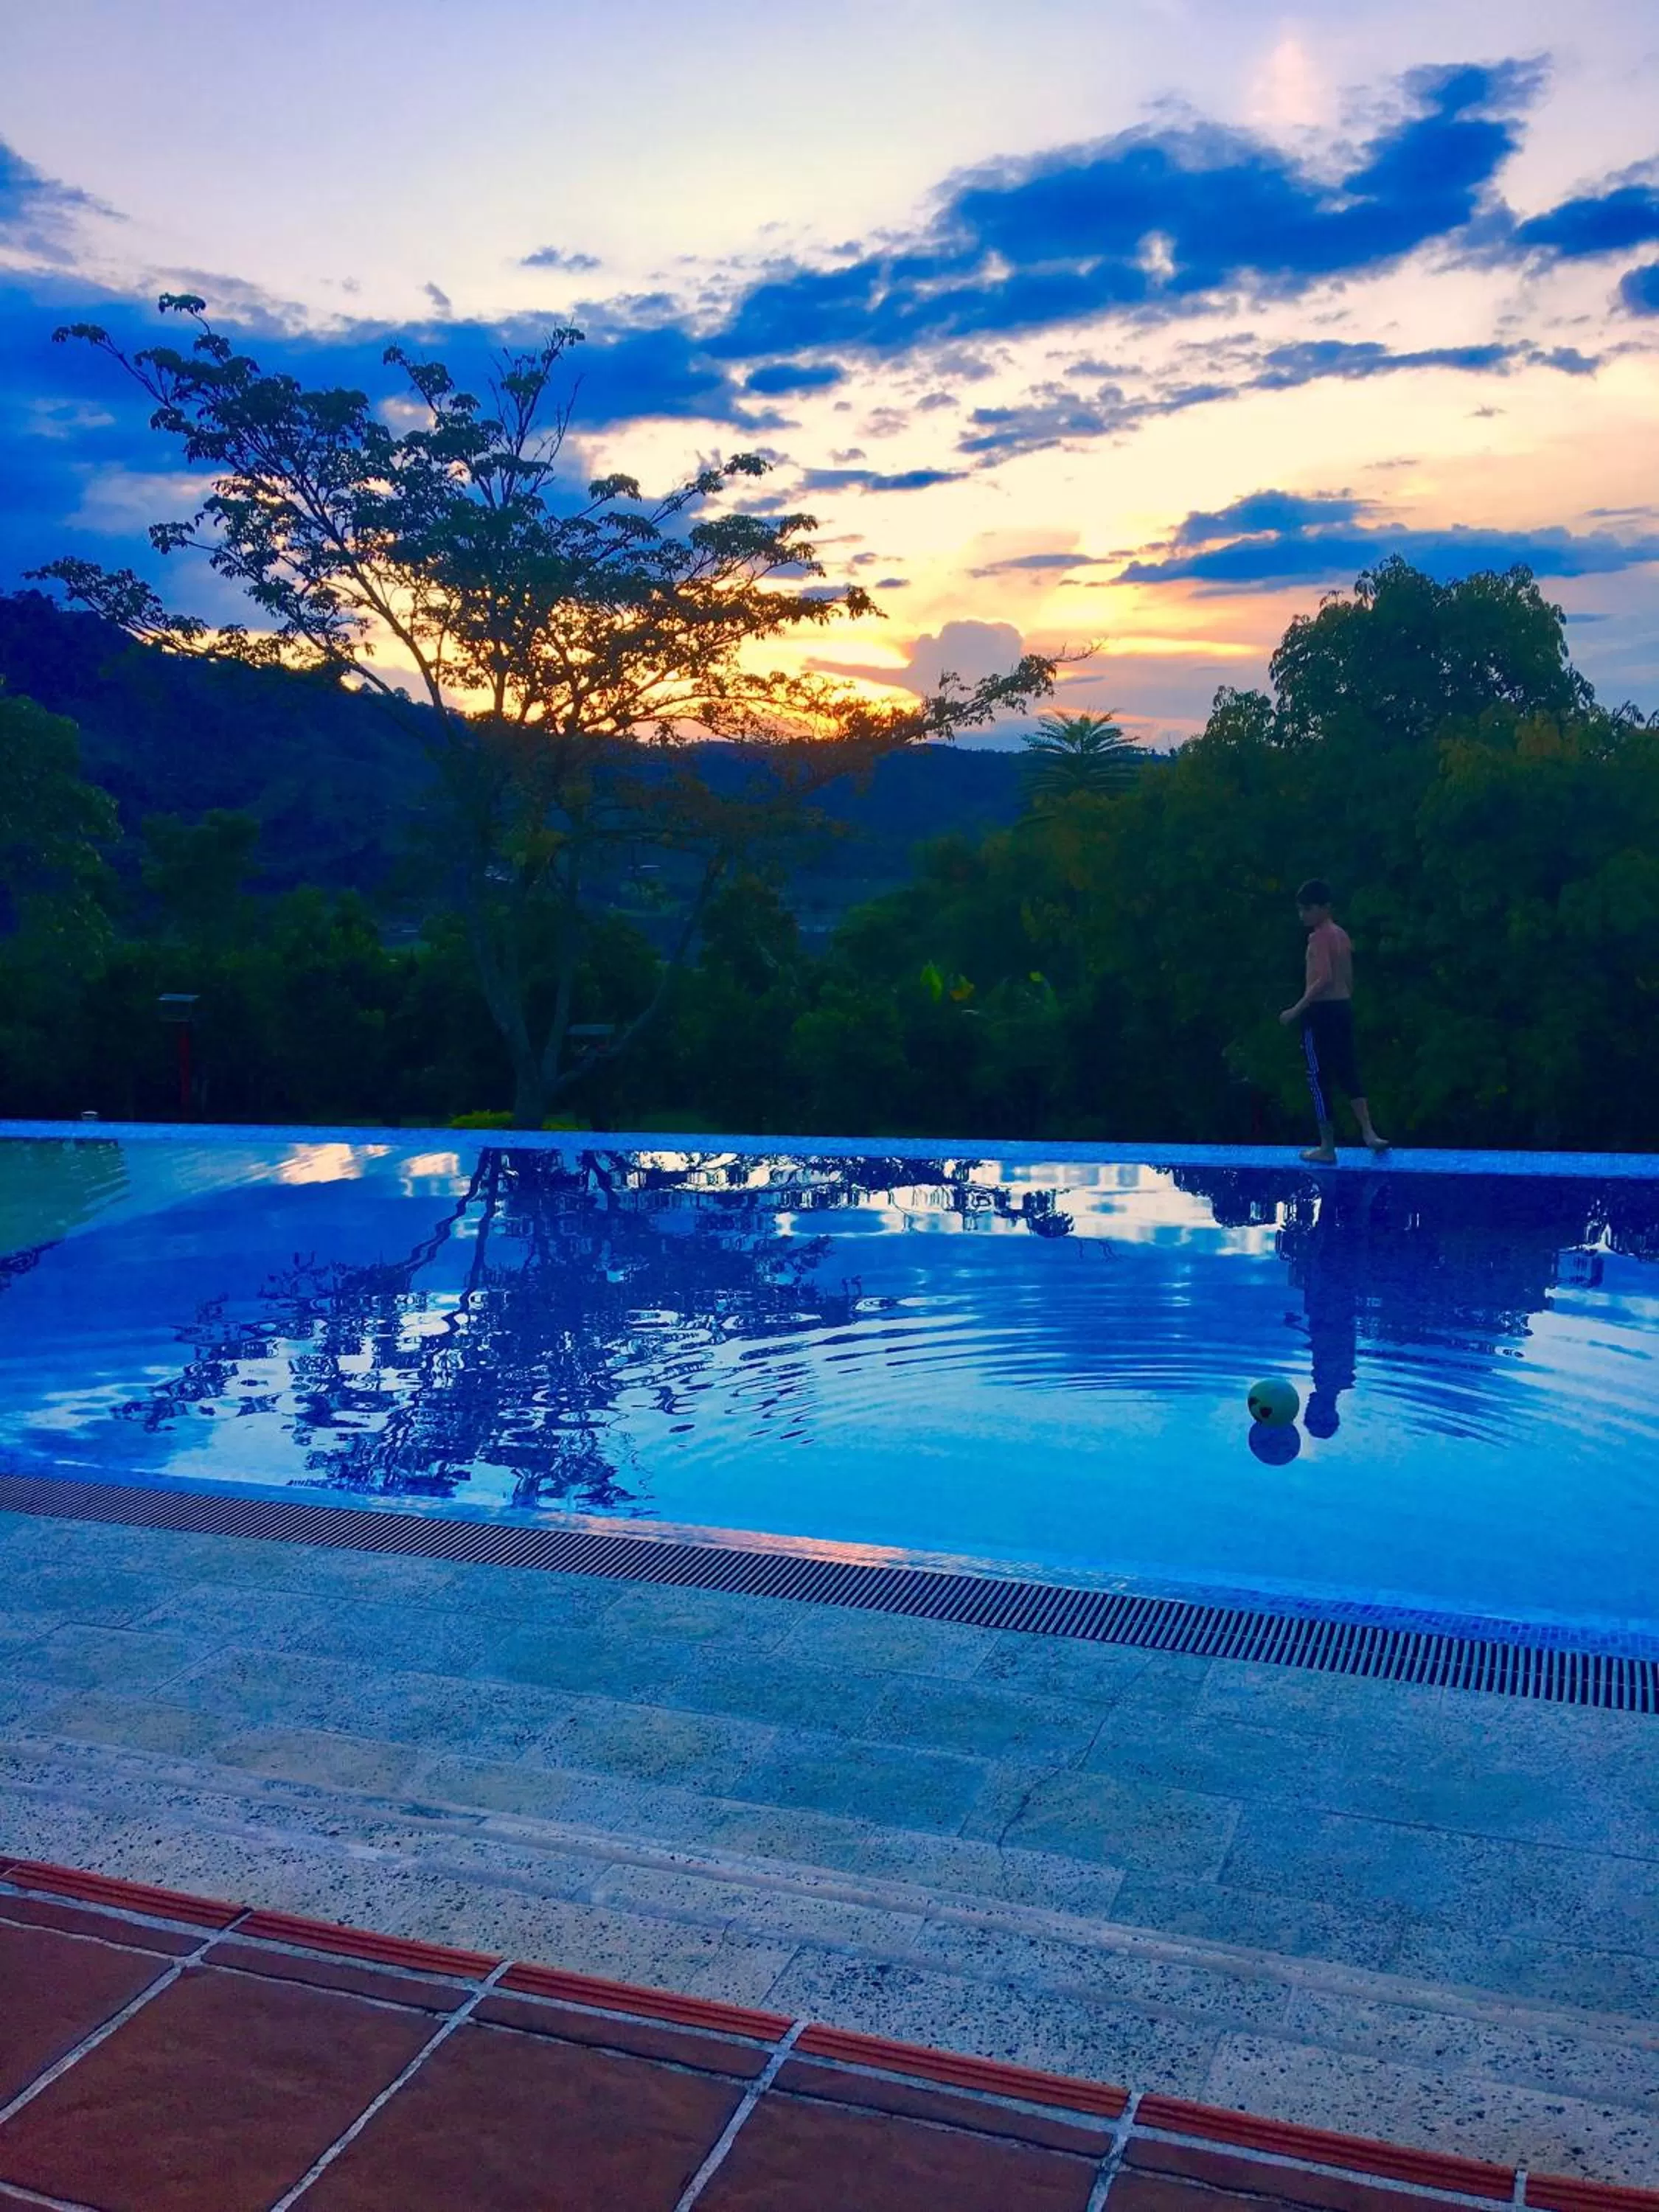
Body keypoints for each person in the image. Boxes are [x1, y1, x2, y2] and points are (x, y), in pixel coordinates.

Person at [1279, 879, 1388, 1165]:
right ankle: (1368, 1132)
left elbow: (1323, 977)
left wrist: (1297, 1009)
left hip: (1321, 1012)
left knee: (1317, 1077)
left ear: (1321, 909)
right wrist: (1345, 998)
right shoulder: (1341, 934)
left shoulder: (1318, 938)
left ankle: (1327, 1146)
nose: (1302, 915)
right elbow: (1347, 976)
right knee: (1348, 1070)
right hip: (1342, 1008)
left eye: (1306, 910)